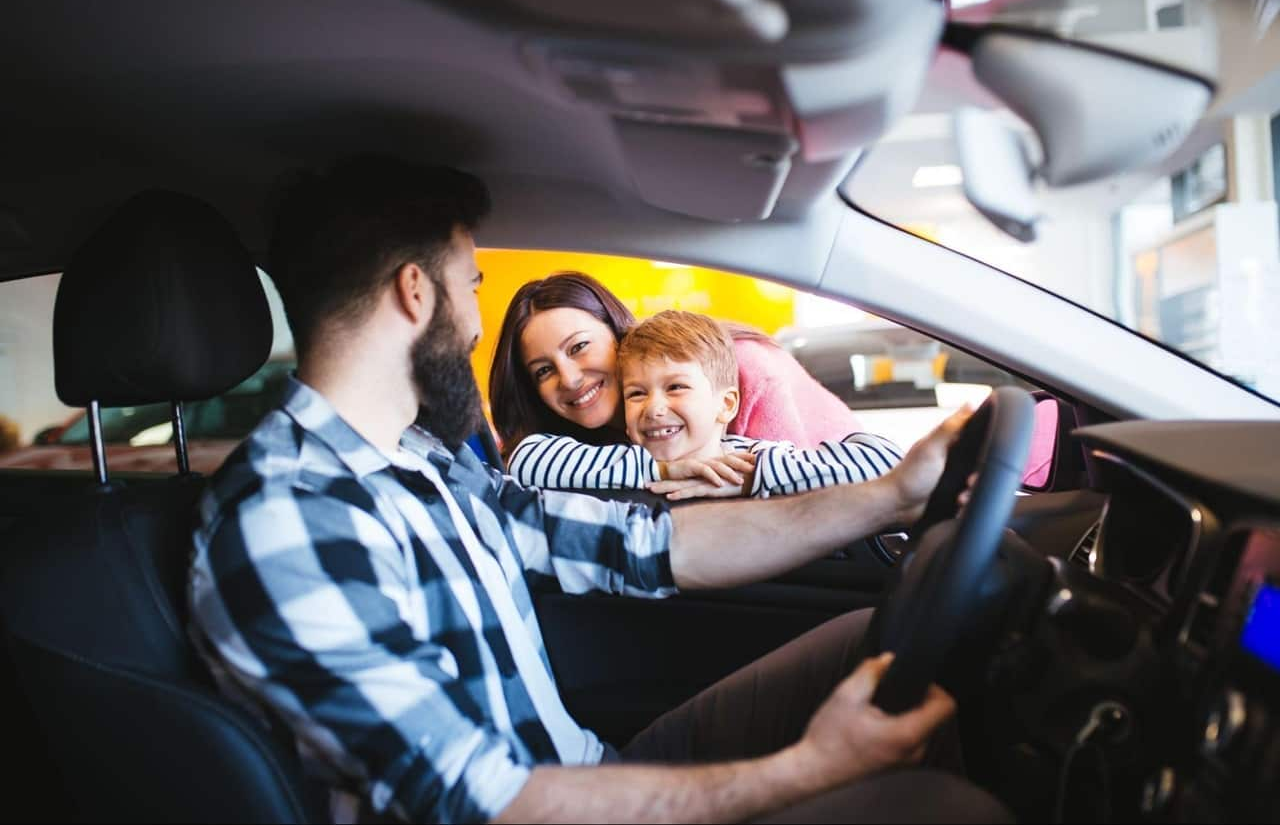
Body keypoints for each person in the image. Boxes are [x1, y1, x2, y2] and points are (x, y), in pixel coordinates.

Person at [188, 154, 1007, 824]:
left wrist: (895, 493)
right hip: (541, 810)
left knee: (870, 640)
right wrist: (808, 770)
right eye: (471, 286)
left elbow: (646, 546)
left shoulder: (425, 464)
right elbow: (484, 804)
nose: (476, 325)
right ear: (415, 292)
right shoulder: (288, 516)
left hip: (590, 768)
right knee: (938, 809)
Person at [509, 310, 904, 500]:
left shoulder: (751, 457)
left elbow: (884, 460)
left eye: (676, 387)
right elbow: (527, 458)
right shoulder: (618, 465)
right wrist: (662, 468)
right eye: (636, 394)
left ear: (726, 404)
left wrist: (751, 478)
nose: (654, 408)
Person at [488, 271, 870, 460]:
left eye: (579, 347)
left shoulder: (742, 366)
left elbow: (807, 497)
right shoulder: (569, 455)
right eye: (543, 370)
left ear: (617, 329)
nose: (569, 378)